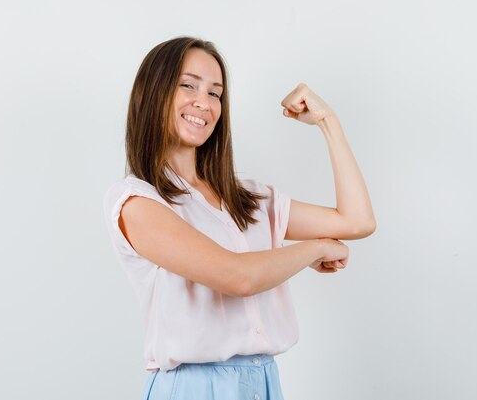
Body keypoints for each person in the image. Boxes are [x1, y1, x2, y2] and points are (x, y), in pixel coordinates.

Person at [102, 36, 376, 400]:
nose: (204, 102)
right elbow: (237, 276)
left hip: (263, 382)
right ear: (153, 93)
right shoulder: (137, 202)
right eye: (188, 85)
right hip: (191, 387)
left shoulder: (245, 198)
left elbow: (357, 221)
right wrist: (315, 249)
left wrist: (328, 122)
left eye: (216, 93)